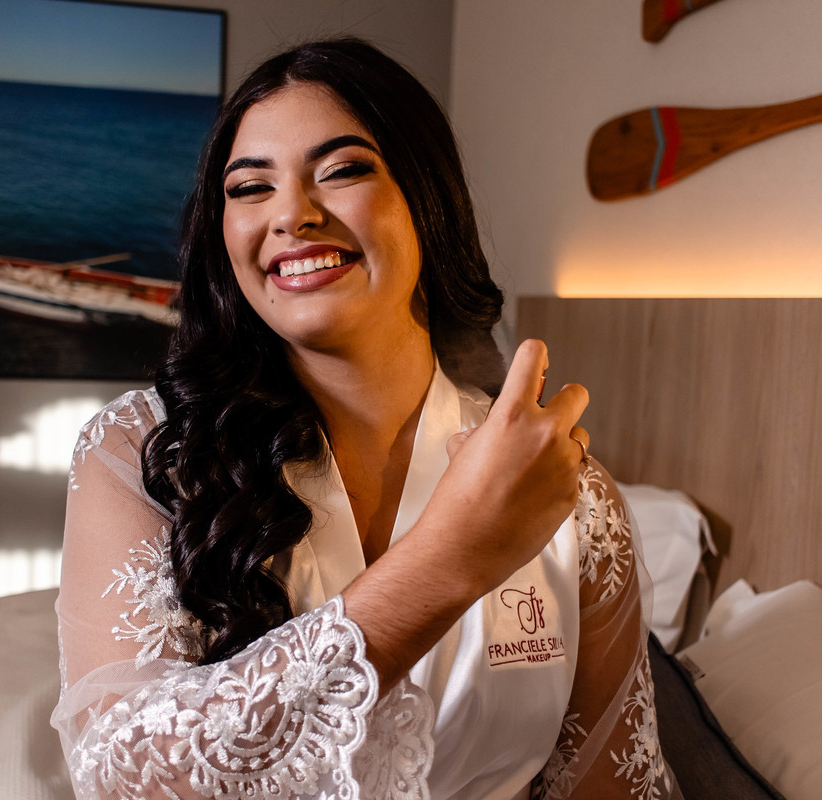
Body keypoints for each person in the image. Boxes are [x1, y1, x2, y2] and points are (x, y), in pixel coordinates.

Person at [52, 38, 679, 800]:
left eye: (343, 170)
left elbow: (612, 787)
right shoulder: (144, 452)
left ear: (428, 201)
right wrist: (450, 558)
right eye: (249, 187)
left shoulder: (573, 501)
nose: (292, 214)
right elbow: (122, 776)